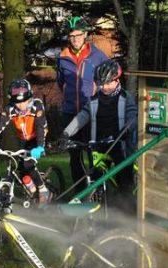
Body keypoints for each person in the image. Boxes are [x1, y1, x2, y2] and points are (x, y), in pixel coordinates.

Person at [61, 59, 137, 211]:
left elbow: (133, 115)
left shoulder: (125, 97)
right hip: (99, 145)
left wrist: (127, 129)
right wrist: (66, 132)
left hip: (120, 144)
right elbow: (82, 117)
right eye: (101, 84)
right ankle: (97, 209)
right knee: (95, 179)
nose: (104, 87)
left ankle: (129, 214)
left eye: (108, 83)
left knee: (125, 182)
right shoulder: (93, 100)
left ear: (117, 80)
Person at [56, 15, 108, 193]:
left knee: (94, 154)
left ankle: (98, 190)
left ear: (85, 34)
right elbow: (60, 82)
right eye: (71, 36)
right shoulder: (62, 58)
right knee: (74, 155)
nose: (75, 39)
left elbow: (107, 80)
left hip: (91, 112)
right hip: (70, 112)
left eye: (78, 35)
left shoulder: (97, 56)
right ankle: (79, 191)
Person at [0, 79, 50, 202]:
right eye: (18, 103)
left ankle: (43, 189)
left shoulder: (37, 105)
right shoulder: (10, 109)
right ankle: (33, 192)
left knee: (28, 163)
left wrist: (40, 146)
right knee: (20, 169)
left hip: (37, 137)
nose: (22, 106)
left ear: (30, 98)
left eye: (25, 102)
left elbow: (40, 127)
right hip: (22, 139)